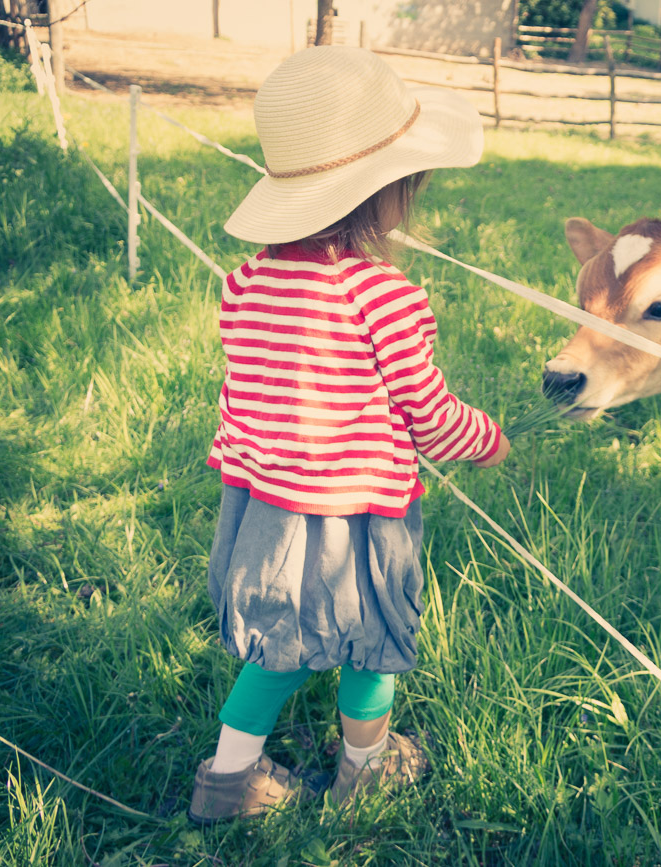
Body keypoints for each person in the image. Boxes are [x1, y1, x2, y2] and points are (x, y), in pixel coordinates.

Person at [188, 45, 510, 824]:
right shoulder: (381, 294)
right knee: (373, 645)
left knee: (274, 650)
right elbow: (427, 413)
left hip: (266, 506)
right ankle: (365, 769)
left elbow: (242, 396)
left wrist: (247, 465)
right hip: (358, 517)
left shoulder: (246, 283)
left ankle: (228, 781)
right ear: (386, 194)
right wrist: (486, 436)